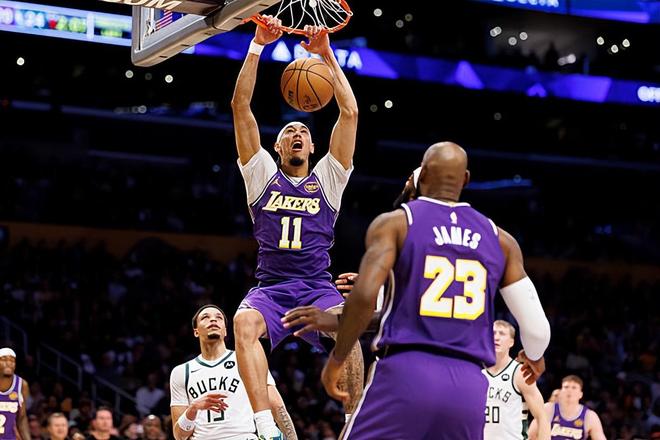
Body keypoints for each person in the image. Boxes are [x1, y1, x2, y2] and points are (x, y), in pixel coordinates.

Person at [321, 142, 552, 439]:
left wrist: (337, 359)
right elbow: (537, 330)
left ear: (424, 174)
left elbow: (364, 298)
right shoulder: (501, 240)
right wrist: (535, 356)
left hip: (405, 371)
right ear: (465, 179)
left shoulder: (396, 223)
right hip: (469, 387)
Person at [230, 16, 362, 440]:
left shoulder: (328, 178)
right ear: (278, 146)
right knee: (243, 325)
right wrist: (257, 46)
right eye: (290, 131)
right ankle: (263, 424)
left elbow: (350, 112)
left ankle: (354, 422)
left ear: (314, 146)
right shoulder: (260, 174)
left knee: (350, 325)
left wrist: (326, 55)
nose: (298, 134)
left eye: (304, 130)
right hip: (272, 288)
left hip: (317, 285)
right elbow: (241, 108)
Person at [169, 305, 296, 440]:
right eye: (205, 317)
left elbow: (277, 407)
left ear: (225, 331)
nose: (213, 320)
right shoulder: (181, 372)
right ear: (196, 331)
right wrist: (192, 409)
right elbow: (179, 436)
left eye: (219, 318)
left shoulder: (247, 360)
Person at [483, 320, 550, 440]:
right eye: (493, 333)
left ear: (511, 342)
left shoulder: (520, 373)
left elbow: (542, 417)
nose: (496, 337)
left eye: (502, 334)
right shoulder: (477, 371)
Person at [528, 375, 606, 440]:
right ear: (561, 391)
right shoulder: (548, 409)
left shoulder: (590, 416)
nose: (569, 390)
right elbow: (531, 436)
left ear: (580, 394)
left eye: (574, 387)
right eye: (566, 387)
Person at [0, 347, 30, 440]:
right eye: (4, 359)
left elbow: (22, 419)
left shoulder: (22, 385)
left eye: (12, 360)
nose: (9, 363)